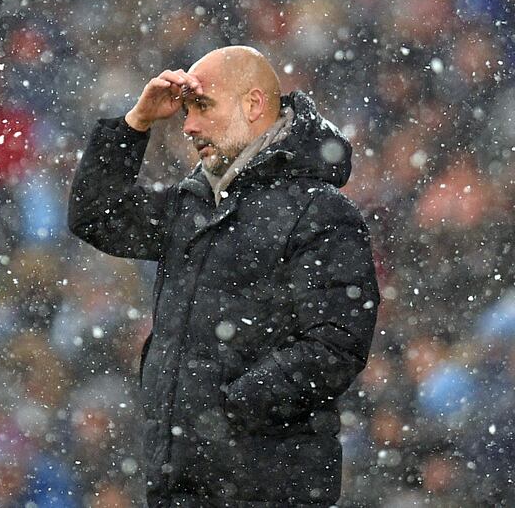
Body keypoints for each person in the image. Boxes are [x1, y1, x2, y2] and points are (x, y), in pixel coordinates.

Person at [67, 46, 379, 507]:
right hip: (180, 484)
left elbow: (335, 345)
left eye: (203, 107)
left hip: (267, 490)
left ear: (253, 105)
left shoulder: (320, 211)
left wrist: (228, 409)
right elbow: (94, 216)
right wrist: (137, 122)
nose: (189, 126)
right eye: (187, 110)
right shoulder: (189, 206)